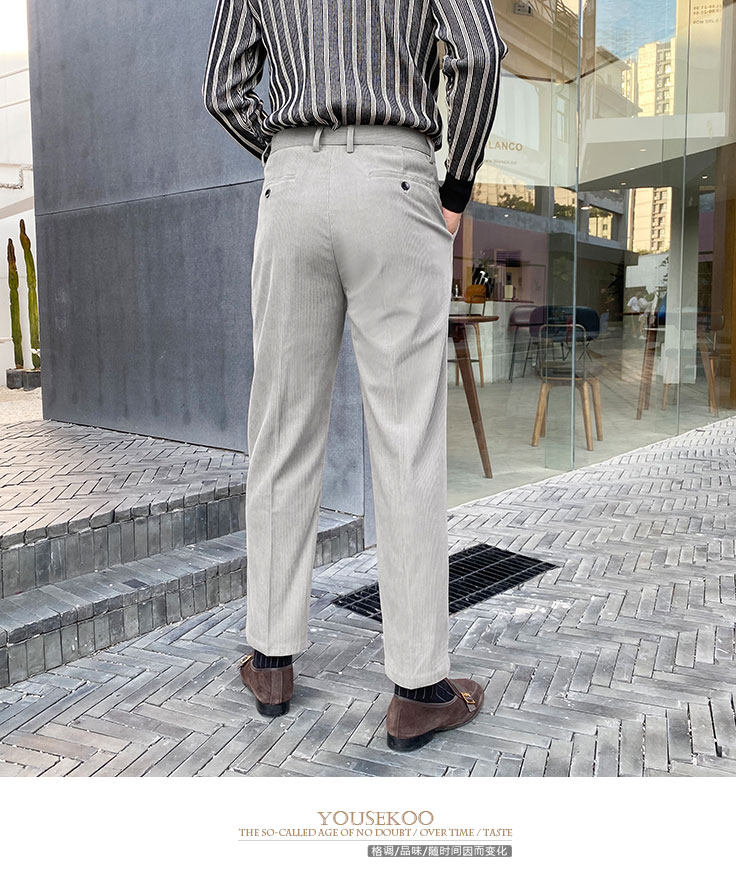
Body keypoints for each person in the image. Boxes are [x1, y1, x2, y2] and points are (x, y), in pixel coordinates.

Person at [203, 0, 507, 752]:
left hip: (290, 187)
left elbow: (223, 88)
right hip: (393, 179)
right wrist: (456, 186)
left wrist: (290, 157)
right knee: (406, 439)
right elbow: (479, 52)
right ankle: (418, 691)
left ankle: (270, 661)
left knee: (280, 429)